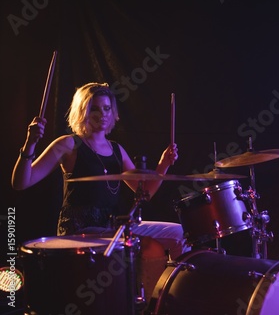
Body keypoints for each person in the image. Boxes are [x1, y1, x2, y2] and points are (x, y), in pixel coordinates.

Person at [11, 82, 190, 302]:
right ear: (82, 111)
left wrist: (163, 165)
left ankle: (166, 300)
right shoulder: (69, 144)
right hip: (80, 229)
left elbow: (145, 194)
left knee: (179, 234)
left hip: (112, 225)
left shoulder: (116, 149)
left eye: (107, 108)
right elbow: (21, 182)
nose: (102, 114)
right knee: (133, 245)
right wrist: (30, 143)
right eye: (95, 108)